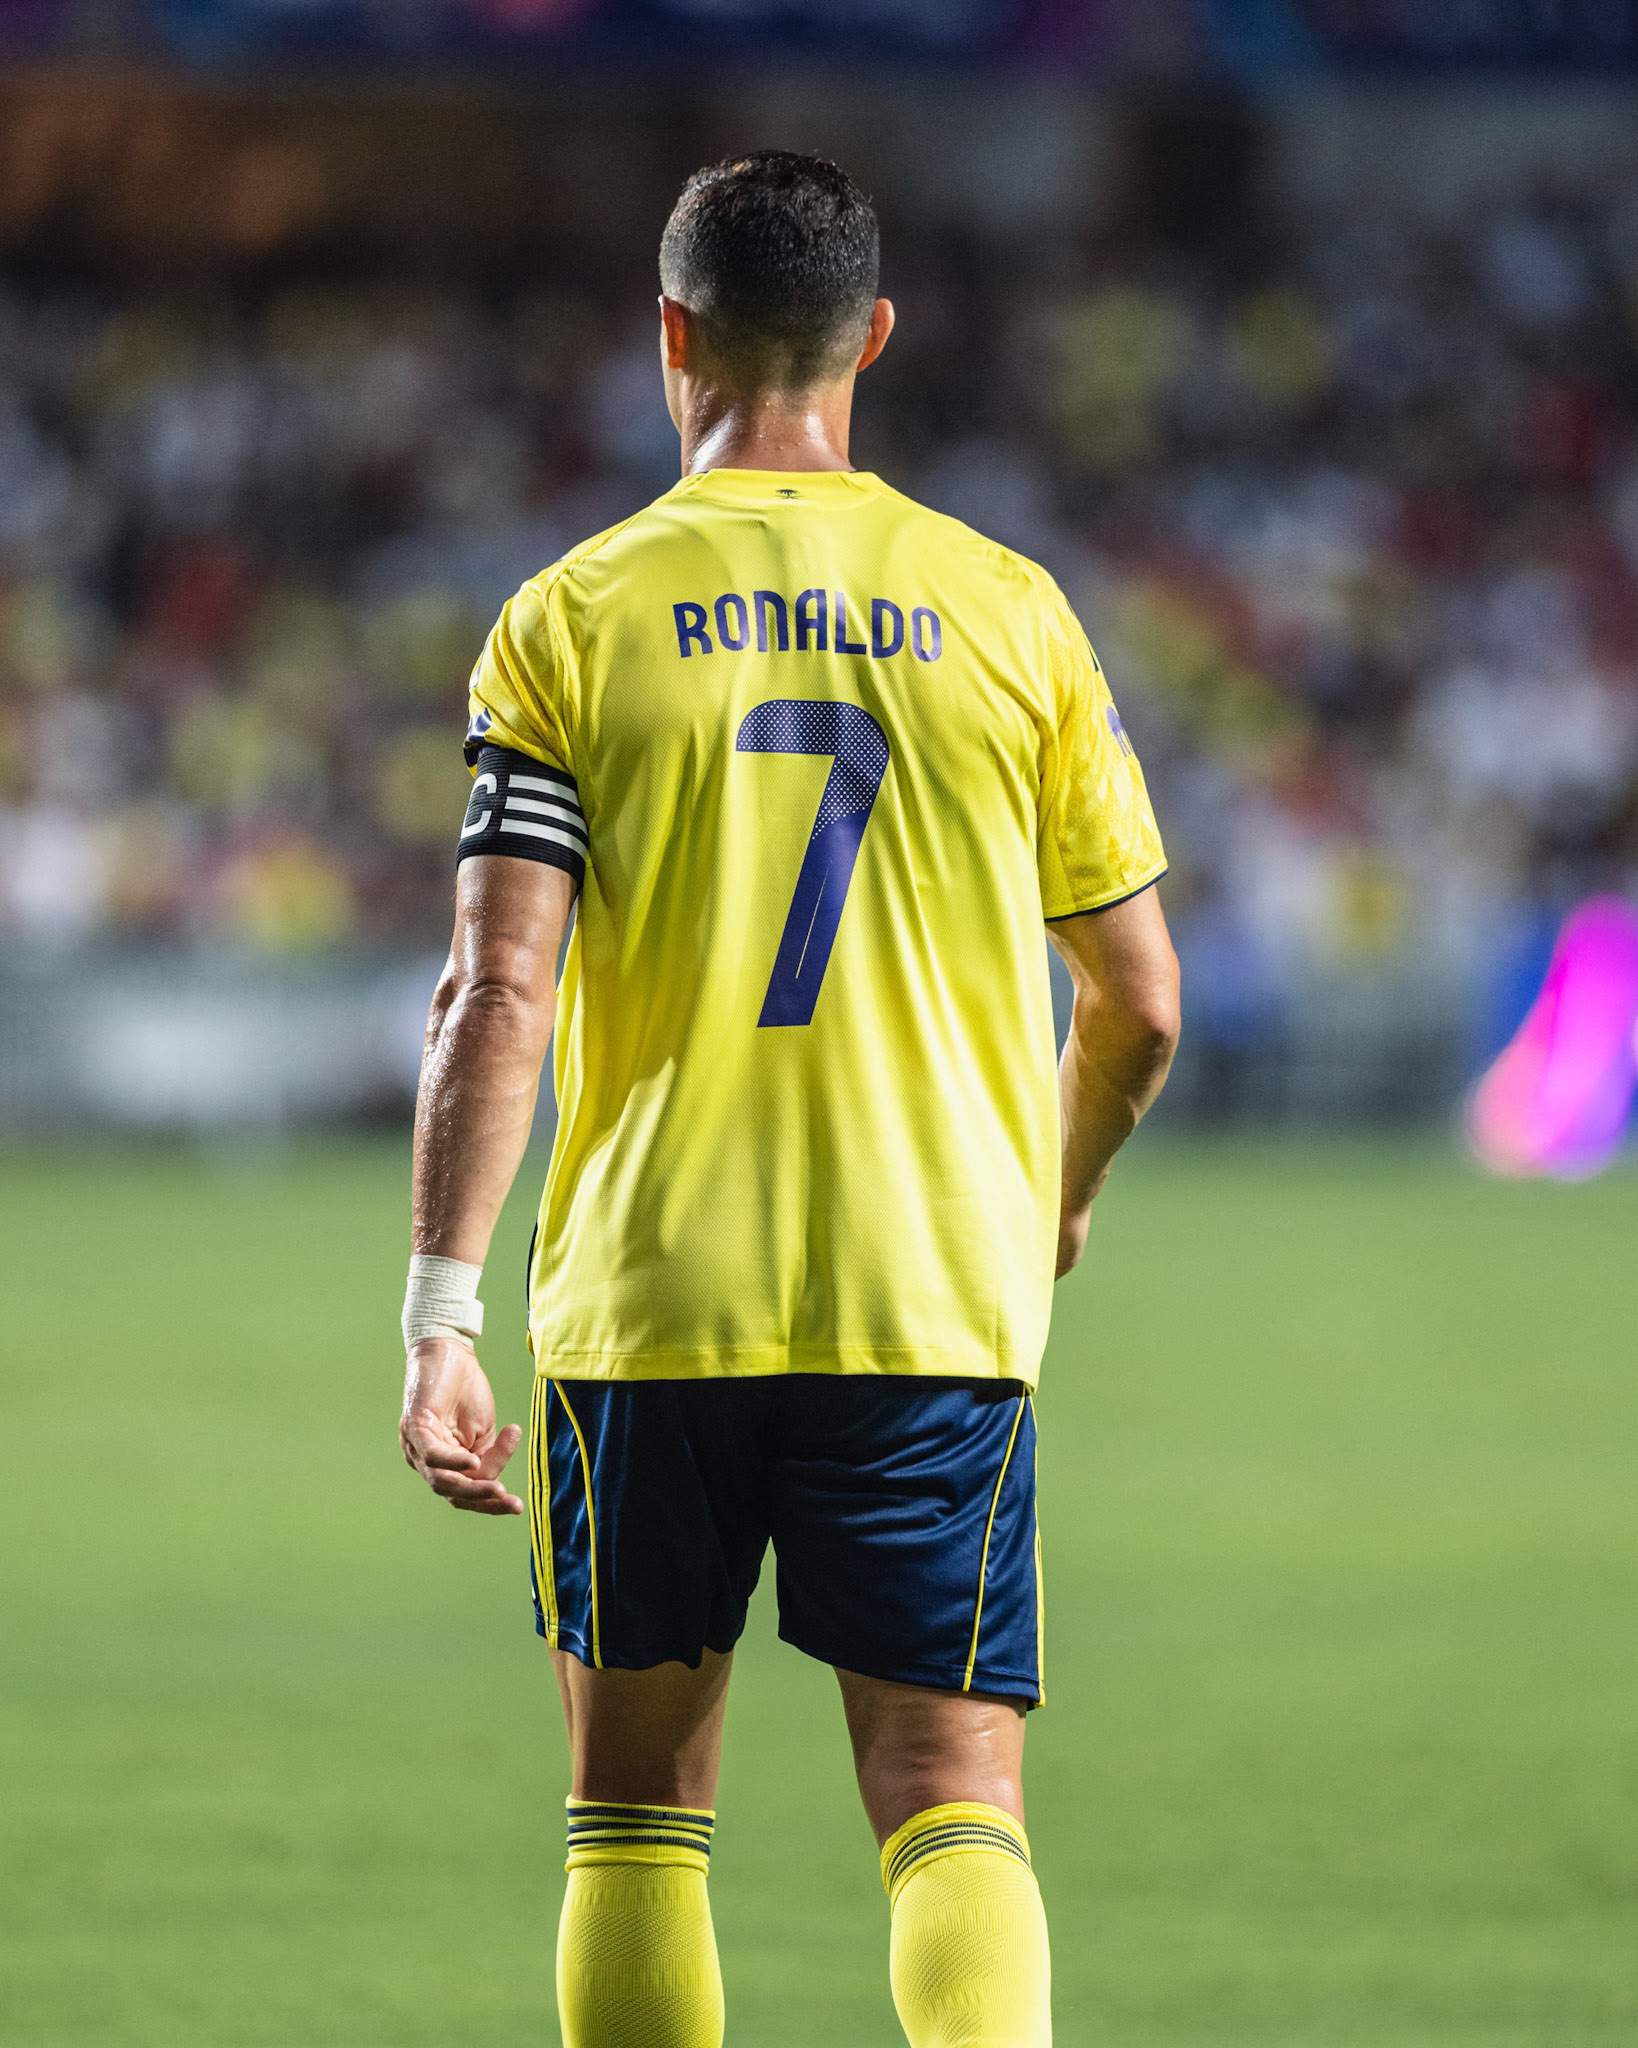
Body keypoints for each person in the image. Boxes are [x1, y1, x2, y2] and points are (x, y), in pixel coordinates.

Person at [399, 150, 1180, 2048]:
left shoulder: (569, 617)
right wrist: (1052, 1195)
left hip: (650, 1308)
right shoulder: (1009, 612)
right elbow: (1140, 1004)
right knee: (950, 1802)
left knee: (634, 1822)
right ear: (875, 340)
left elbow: (498, 986)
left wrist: (438, 1307)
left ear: (669, 335)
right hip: (925, 1297)